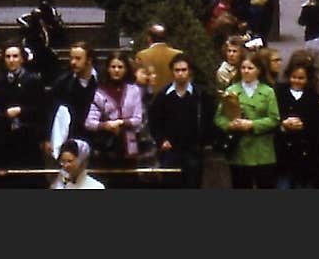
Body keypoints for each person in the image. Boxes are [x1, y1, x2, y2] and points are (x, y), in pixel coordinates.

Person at [213, 49, 279, 189]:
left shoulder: (268, 92)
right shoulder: (231, 90)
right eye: (243, 67)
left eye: (250, 68)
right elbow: (219, 118)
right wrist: (230, 125)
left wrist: (252, 125)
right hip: (240, 152)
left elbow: (274, 119)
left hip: (263, 152)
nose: (246, 71)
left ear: (259, 70)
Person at [148, 54, 214, 190]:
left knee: (193, 184)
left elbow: (209, 119)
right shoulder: (163, 96)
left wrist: (205, 143)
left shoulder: (200, 95)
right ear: (172, 72)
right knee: (170, 185)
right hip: (170, 150)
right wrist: (161, 140)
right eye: (177, 70)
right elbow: (154, 121)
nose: (181, 74)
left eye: (184, 70)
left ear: (189, 71)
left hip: (194, 150)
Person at [274, 51, 319, 189]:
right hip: (284, 154)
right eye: (294, 77)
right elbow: (272, 116)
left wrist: (304, 125)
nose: (296, 81)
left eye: (301, 78)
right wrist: (283, 124)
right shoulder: (279, 93)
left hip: (308, 155)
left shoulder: (314, 97)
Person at [84, 50, 143, 168]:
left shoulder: (134, 90)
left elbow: (138, 119)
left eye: (120, 67)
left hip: (129, 148)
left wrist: (121, 122)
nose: (116, 70)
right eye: (113, 67)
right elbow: (89, 123)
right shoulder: (99, 92)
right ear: (108, 69)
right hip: (106, 148)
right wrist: (106, 125)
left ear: (126, 69)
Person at [0, 41, 45, 171]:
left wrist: (21, 110)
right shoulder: (0, 81)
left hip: (29, 134)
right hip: (8, 136)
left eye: (15, 56)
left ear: (22, 58)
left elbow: (41, 108)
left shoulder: (33, 79)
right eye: (8, 56)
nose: (11, 60)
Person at [46, 40, 98, 153]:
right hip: (71, 137)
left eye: (78, 59)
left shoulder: (101, 82)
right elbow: (50, 110)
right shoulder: (62, 83)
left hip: (97, 137)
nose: (73, 62)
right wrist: (47, 138)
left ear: (89, 60)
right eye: (71, 58)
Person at [134, 22, 182, 92]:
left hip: (152, 98)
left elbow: (140, 81)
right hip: (174, 97)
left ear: (149, 38)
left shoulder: (142, 55)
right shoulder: (178, 54)